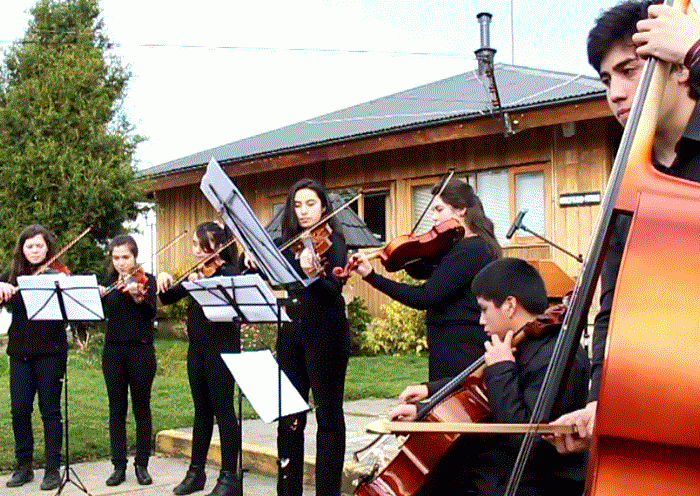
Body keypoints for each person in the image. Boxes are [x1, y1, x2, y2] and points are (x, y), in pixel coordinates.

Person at [549, 0, 700, 454]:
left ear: (678, 71)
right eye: (606, 78)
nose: (615, 92)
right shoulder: (633, 176)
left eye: (630, 70)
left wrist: (695, 48)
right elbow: (612, 306)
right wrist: (601, 400)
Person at [388, 258, 590, 496]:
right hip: (502, 470)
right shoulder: (523, 344)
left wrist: (502, 368)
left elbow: (525, 441)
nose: (481, 320)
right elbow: (481, 392)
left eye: (484, 309)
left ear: (510, 305)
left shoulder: (557, 357)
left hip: (535, 481)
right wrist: (428, 400)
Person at [349, 178, 501, 381]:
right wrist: (409, 254)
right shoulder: (468, 247)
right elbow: (428, 272)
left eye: (439, 209)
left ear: (461, 209)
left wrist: (371, 277)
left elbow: (425, 297)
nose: (434, 217)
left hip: (459, 347)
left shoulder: (470, 250)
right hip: (456, 344)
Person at [266, 178, 350, 496]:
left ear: (324, 207)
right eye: (297, 205)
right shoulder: (287, 245)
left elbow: (333, 289)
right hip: (291, 333)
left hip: (327, 333)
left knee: (328, 416)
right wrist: (254, 262)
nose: (303, 211)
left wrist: (317, 273)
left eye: (310, 204)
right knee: (289, 415)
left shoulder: (335, 242)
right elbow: (273, 275)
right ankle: (288, 491)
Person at [157, 222, 241, 496]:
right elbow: (168, 297)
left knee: (224, 411)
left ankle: (229, 476)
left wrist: (203, 284)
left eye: (204, 246)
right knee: (202, 410)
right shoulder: (197, 274)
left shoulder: (229, 273)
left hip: (222, 350)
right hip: (197, 350)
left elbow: (235, 292)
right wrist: (164, 278)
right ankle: (196, 472)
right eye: (194, 244)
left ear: (221, 246)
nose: (197, 251)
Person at [0, 225, 67, 490]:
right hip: (19, 353)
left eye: (40, 246)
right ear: (23, 250)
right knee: (19, 410)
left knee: (50, 411)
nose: (35, 250)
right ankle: (23, 466)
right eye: (30, 246)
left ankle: (53, 468)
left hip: (51, 351)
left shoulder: (59, 276)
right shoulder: (12, 275)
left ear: (48, 247)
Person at [98, 234, 157, 486]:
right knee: (116, 409)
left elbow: (152, 312)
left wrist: (138, 297)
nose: (121, 263)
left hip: (141, 350)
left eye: (126, 257)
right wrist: (98, 297)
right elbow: (98, 315)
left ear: (135, 257)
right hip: (113, 351)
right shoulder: (108, 283)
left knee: (141, 407)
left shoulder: (147, 281)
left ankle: (142, 464)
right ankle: (118, 465)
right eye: (116, 258)